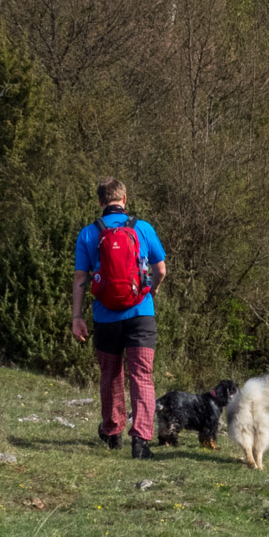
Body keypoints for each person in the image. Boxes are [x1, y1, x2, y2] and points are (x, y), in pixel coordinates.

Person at [71, 178, 168, 460]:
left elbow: (80, 278)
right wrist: (154, 288)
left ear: (101, 202)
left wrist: (77, 316)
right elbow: (160, 269)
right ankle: (140, 441)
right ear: (124, 199)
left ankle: (113, 433)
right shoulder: (143, 228)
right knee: (142, 377)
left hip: (105, 316)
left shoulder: (89, 234)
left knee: (111, 375)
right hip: (141, 313)